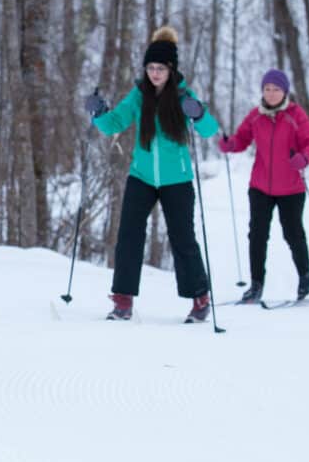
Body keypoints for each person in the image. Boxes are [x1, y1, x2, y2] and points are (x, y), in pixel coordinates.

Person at [83, 26, 218, 323]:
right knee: (129, 235)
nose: (155, 73)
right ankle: (123, 300)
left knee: (182, 238)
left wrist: (198, 113)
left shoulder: (184, 95)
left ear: (171, 70)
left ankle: (199, 298)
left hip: (177, 180)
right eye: (151, 68)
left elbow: (210, 130)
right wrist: (99, 113)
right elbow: (115, 122)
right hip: (141, 176)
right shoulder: (139, 95)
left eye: (160, 68)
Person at [217, 69, 309, 304]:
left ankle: (305, 277)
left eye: (276, 89)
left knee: (293, 234)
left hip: (291, 188)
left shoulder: (296, 115)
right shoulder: (256, 115)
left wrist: (304, 158)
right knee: (257, 235)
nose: (271, 94)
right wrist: (229, 144)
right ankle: (256, 285)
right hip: (260, 186)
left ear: (285, 92)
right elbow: (241, 139)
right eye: (267, 89)